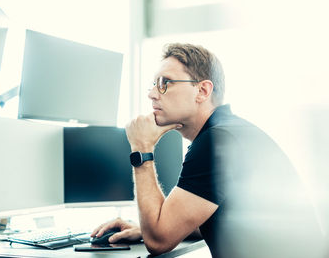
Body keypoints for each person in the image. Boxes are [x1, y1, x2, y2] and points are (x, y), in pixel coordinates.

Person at [91, 43, 323, 257]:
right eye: (153, 85)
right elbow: (230, 224)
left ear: (202, 91)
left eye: (164, 83)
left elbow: (159, 241)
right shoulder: (229, 132)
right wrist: (146, 228)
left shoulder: (216, 142)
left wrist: (142, 148)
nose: (152, 94)